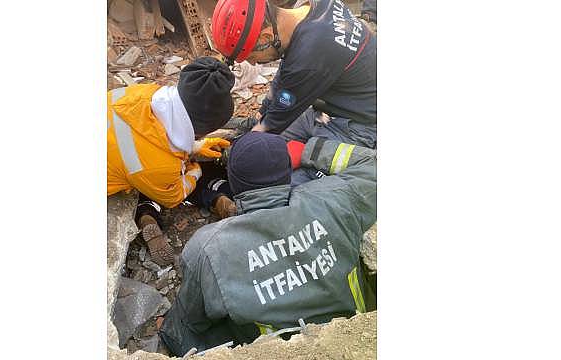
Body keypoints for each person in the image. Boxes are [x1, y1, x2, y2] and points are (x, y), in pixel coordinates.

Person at [159, 131, 377, 355]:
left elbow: (187, 323)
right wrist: (308, 150)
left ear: (232, 183)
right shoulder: (336, 198)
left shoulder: (208, 248)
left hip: (276, 348)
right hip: (352, 332)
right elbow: (375, 163)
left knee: (193, 326)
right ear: (287, 171)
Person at [107, 57, 237, 266]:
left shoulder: (148, 93)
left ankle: (147, 215)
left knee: (145, 178)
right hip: (119, 181)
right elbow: (174, 196)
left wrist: (195, 146)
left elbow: (145, 137)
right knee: (152, 187)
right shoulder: (159, 166)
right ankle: (217, 195)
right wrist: (195, 172)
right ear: (200, 129)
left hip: (118, 157)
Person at [211, 0, 377, 150]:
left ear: (266, 37)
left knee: (281, 172)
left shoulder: (309, 57)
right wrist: (263, 110)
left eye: (251, 57)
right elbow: (286, 72)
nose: (253, 64)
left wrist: (245, 145)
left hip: (360, 124)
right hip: (333, 105)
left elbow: (277, 116)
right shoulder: (310, 8)